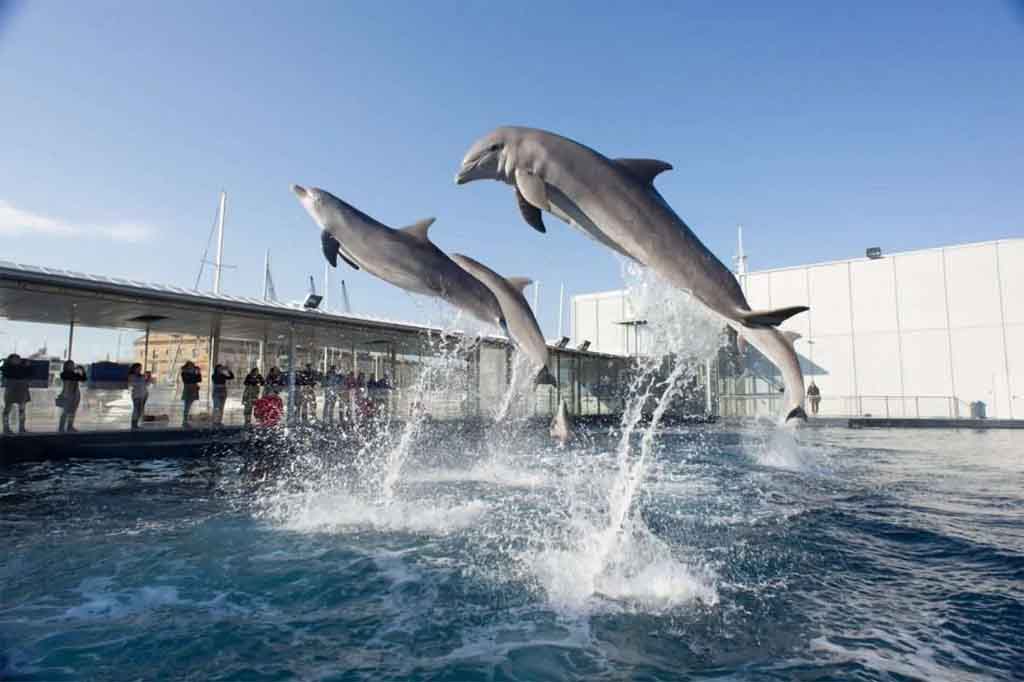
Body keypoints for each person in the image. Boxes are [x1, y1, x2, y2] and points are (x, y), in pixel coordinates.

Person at [2, 353, 30, 435]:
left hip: (21, 389)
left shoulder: (22, 368)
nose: (17, 361)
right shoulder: (7, 368)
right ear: (10, 360)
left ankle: (22, 428)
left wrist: (27, 367)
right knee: (7, 409)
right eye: (14, 359)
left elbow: (28, 374)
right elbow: (6, 373)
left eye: (18, 359)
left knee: (22, 410)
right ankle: (6, 428)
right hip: (11, 390)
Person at [58, 360, 87, 433]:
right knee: (65, 412)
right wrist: (77, 372)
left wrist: (82, 370)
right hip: (67, 394)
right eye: (71, 365)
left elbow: (84, 379)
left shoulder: (74, 374)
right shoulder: (64, 374)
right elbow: (69, 377)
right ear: (66, 366)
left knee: (73, 412)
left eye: (73, 365)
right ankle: (61, 428)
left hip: (76, 395)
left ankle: (70, 427)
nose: (72, 366)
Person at [128, 363, 150, 430]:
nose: (140, 369)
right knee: (136, 410)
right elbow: (133, 384)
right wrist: (142, 379)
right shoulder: (131, 376)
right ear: (134, 368)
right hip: (137, 396)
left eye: (140, 368)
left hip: (144, 395)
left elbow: (146, 384)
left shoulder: (141, 376)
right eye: (138, 368)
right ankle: (133, 425)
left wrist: (148, 379)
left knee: (140, 411)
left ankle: (136, 424)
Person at [180, 361, 202, 427]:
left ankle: (186, 420)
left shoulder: (193, 372)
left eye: (192, 366)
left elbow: (199, 380)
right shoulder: (184, 372)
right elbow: (188, 380)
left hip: (194, 389)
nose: (192, 367)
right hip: (188, 389)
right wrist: (194, 374)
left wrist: (198, 373)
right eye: (190, 366)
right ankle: (184, 420)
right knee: (187, 405)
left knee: (189, 405)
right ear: (187, 366)